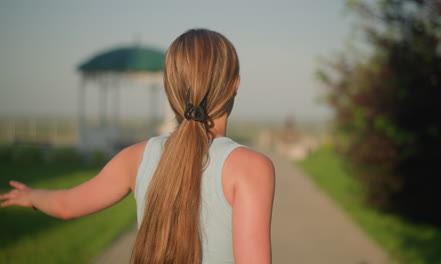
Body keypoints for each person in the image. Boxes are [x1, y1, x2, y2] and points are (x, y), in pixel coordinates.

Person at [0, 29, 275, 264]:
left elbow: (66, 206)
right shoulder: (250, 167)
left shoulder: (136, 157)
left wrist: (33, 196)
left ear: (170, 90)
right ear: (235, 85)